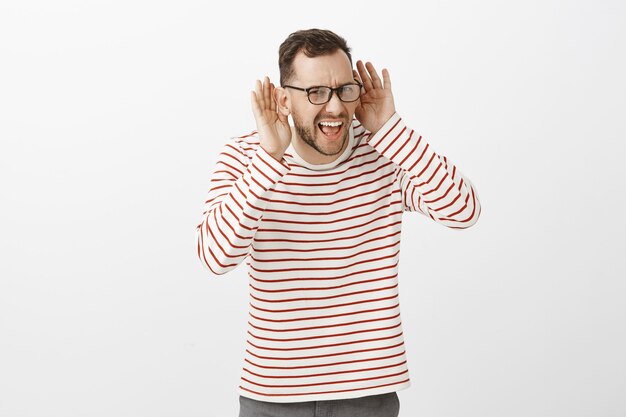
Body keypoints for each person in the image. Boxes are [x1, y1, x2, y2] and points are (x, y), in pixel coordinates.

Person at [195, 28, 481, 417]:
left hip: (368, 395)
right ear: (284, 99)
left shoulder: (384, 152)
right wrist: (269, 160)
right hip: (273, 395)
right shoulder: (246, 156)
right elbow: (215, 257)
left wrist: (390, 128)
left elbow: (463, 210)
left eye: (345, 89)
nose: (334, 107)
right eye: (316, 93)